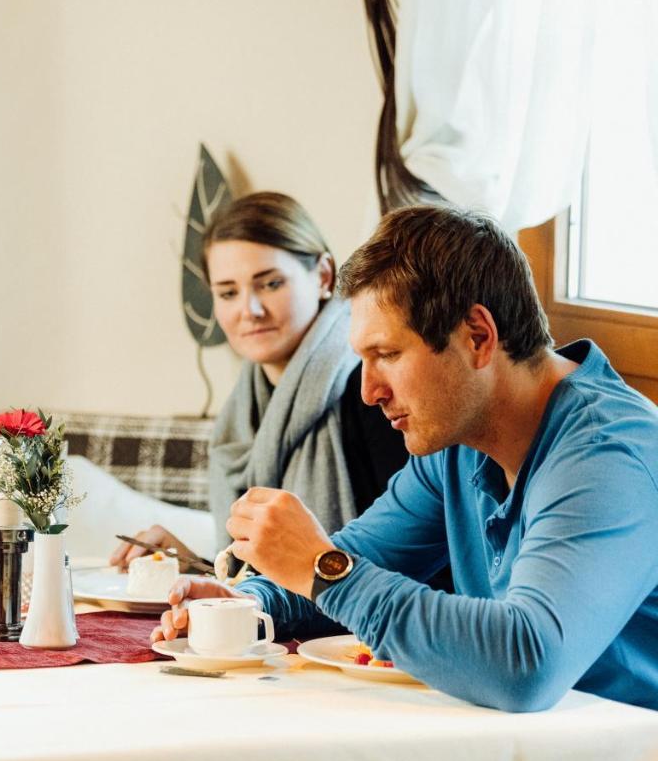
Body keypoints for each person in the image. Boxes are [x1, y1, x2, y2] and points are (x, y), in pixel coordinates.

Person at [154, 205, 658, 713]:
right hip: (538, 751)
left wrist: (321, 567)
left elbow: (526, 662)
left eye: (388, 355)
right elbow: (364, 556)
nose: (370, 391)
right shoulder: (459, 443)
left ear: (477, 337)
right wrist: (248, 603)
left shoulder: (608, 452)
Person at [111, 192, 408, 577]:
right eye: (228, 292)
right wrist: (191, 566)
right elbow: (256, 579)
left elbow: (400, 562)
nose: (249, 310)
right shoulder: (243, 409)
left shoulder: (368, 388)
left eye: (269, 284)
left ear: (322, 277)